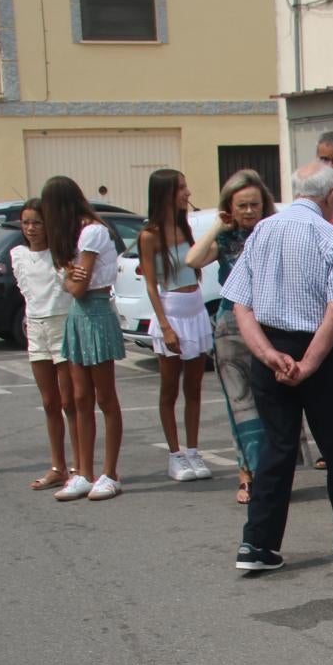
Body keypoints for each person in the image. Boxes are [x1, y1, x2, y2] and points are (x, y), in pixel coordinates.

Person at [224, 161, 333, 571]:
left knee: (277, 448)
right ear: (331, 197)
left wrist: (267, 355)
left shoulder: (262, 231)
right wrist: (309, 364)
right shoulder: (331, 239)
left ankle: (257, 545)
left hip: (269, 345)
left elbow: (241, 304)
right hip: (319, 348)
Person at [192, 169, 278, 504]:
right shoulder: (225, 239)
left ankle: (270, 472)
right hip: (230, 323)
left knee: (270, 399)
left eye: (254, 204)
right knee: (239, 401)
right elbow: (193, 259)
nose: (248, 211)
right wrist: (218, 225)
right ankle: (247, 473)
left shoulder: (272, 233)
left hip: (269, 320)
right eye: (241, 205)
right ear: (230, 206)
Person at [42, 175, 126, 502]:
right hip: (78, 314)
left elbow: (78, 286)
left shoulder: (92, 231)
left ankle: (110, 472)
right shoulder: (75, 235)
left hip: (96, 311)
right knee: (79, 398)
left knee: (105, 397)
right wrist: (68, 278)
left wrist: (68, 278)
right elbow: (71, 282)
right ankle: (83, 472)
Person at [136, 168, 213, 483]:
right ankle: (175, 454)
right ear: (166, 193)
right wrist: (165, 327)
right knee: (170, 389)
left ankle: (193, 451)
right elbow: (152, 286)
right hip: (172, 312)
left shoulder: (186, 227)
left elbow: (198, 261)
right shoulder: (149, 235)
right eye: (181, 188)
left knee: (194, 388)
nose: (187, 193)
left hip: (196, 310)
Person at [10, 198, 77, 490]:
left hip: (61, 323)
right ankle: (57, 466)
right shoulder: (18, 255)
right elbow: (27, 292)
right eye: (26, 223)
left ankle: (78, 465)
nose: (31, 228)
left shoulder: (61, 254)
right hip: (35, 327)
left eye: (37, 222)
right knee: (49, 402)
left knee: (69, 402)